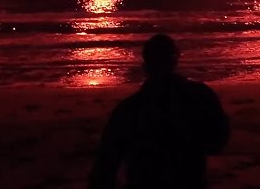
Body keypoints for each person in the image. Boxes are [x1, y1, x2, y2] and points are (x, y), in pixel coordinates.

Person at [90, 34, 230, 189]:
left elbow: (105, 166)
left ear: (146, 64)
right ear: (175, 60)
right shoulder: (201, 96)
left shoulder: (130, 109)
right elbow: (217, 143)